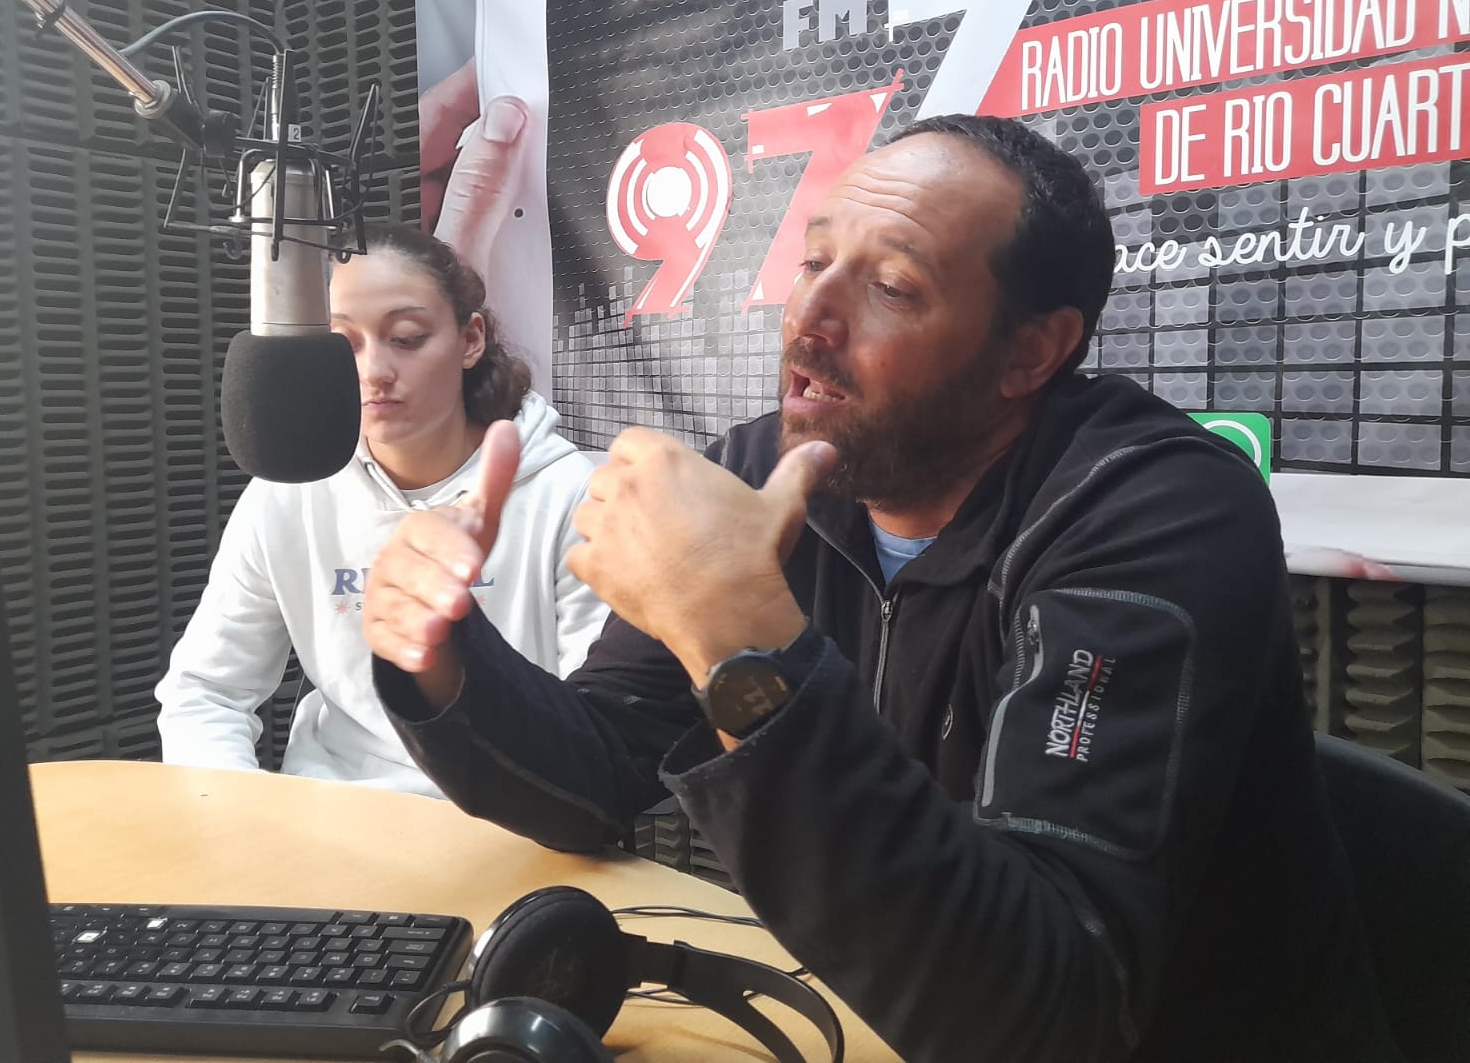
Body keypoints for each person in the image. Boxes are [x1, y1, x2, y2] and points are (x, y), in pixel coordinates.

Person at [359, 117, 1399, 1060]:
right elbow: (593, 777)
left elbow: (1053, 1014)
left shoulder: (1157, 512)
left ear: (1030, 353)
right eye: (814, 261)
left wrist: (738, 637)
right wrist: (443, 657)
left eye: (891, 288)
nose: (808, 316)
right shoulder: (763, 472)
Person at [155, 225, 606, 795]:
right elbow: (206, 691)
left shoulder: (573, 495)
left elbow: (596, 728)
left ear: (470, 340)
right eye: (343, 344)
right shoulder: (288, 494)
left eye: (407, 338)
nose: (373, 372)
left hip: (517, 819)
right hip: (334, 822)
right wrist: (237, 821)